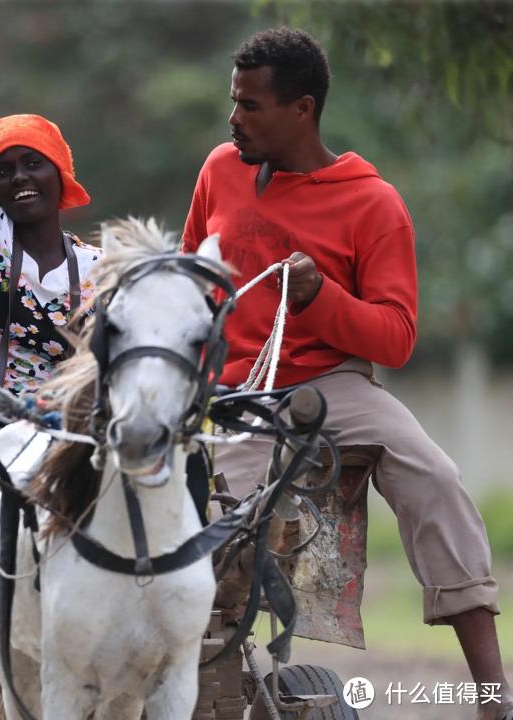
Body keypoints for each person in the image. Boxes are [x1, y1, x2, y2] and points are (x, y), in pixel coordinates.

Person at [183, 28, 512, 717]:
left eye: (250, 106)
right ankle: (232, 686)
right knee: (228, 529)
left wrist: (320, 299)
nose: (233, 118)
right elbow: (190, 274)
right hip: (239, 389)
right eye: (232, 102)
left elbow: (395, 339)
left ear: (302, 110)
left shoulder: (372, 202)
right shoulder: (219, 168)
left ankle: (492, 691)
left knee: (434, 476)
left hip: (334, 384)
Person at [0, 114, 102, 394]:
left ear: (60, 173)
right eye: (3, 171)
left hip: (64, 425)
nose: (19, 176)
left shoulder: (98, 267)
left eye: (34, 163)